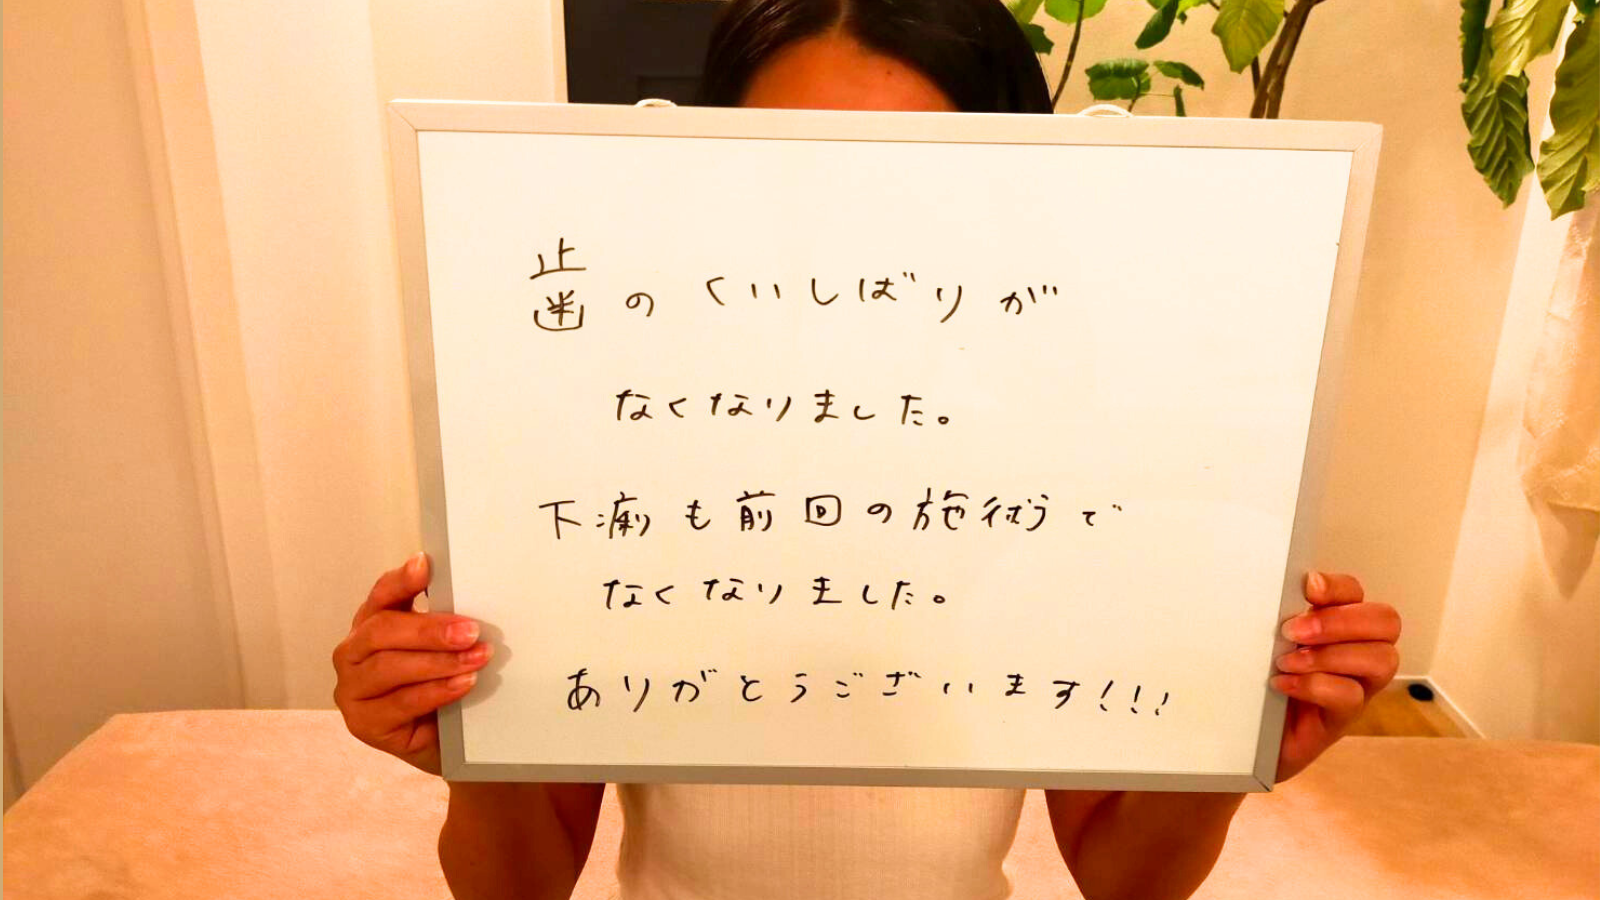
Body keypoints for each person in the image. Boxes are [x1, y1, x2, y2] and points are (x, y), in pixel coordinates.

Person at [331, 2, 1403, 898]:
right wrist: (465, 734)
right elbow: (516, 887)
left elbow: (1122, 880)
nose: (850, 228)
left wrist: (1224, 745)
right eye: (792, 174)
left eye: (918, 179)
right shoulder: (604, 459)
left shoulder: (1063, 468)